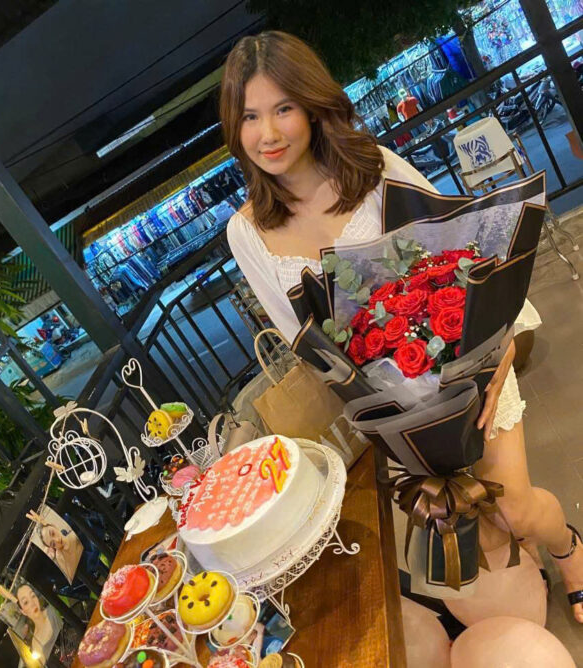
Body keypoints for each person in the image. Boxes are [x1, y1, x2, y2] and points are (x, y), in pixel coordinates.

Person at [222, 30, 583, 622]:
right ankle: (522, 584)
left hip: (473, 371)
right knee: (473, 517)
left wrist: (498, 357)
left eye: (283, 108)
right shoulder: (246, 232)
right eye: (249, 117)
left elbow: (465, 254)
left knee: (513, 506)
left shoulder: (373, 168)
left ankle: (568, 548)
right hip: (399, 412)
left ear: (312, 105)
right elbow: (305, 341)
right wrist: (385, 411)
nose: (268, 133)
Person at [16, 584, 63, 666]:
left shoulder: (53, 610)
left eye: (33, 596)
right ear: (23, 611)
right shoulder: (35, 643)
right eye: (26, 602)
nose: (32, 603)